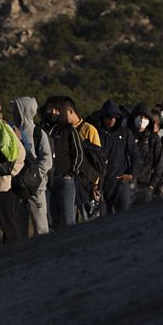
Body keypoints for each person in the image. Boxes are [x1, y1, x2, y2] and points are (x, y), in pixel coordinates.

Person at [46, 97, 100, 228]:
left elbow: (83, 155)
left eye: (57, 110)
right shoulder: (53, 130)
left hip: (75, 181)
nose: (54, 113)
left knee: (70, 219)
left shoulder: (75, 130)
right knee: (55, 219)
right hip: (53, 180)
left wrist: (71, 173)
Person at [0, 96, 27, 244]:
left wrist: (10, 173)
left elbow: (21, 153)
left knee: (8, 225)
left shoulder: (3, 127)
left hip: (3, 186)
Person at [10, 96, 52, 236]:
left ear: (24, 110)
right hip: (18, 189)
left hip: (36, 190)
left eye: (16, 108)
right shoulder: (12, 131)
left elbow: (47, 160)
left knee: (41, 229)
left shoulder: (38, 133)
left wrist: (34, 177)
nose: (13, 111)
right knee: (19, 231)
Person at [97, 100, 139, 215]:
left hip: (120, 182)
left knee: (124, 216)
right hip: (102, 184)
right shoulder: (97, 134)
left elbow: (135, 155)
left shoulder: (125, 133)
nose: (111, 120)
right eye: (108, 117)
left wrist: (131, 175)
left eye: (115, 117)